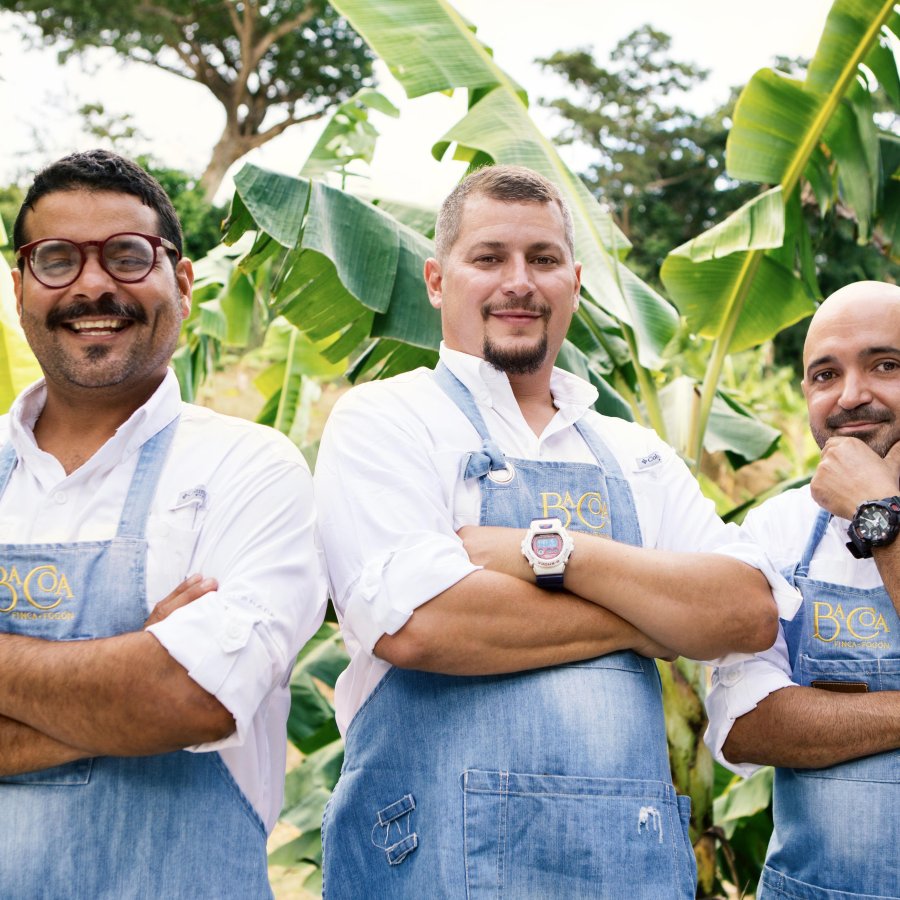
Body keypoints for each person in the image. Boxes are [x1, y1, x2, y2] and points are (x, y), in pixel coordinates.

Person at [314, 164, 786, 898]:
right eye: (489, 258)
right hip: (435, 865)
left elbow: (748, 611)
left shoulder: (638, 455)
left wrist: (558, 556)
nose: (519, 282)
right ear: (438, 281)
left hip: (626, 869)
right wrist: (648, 619)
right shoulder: (389, 420)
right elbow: (421, 623)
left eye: (542, 260)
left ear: (573, 280)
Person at [0, 149, 326, 899]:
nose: (91, 284)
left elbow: (190, 699)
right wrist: (131, 673)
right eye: (56, 259)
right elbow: (154, 697)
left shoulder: (250, 468)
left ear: (181, 279)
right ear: (20, 289)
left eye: (126, 255)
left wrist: (162, 695)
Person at [705, 280, 900, 900]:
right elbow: (742, 725)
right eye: (824, 375)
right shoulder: (779, 529)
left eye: (886, 365)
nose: (851, 396)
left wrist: (879, 514)